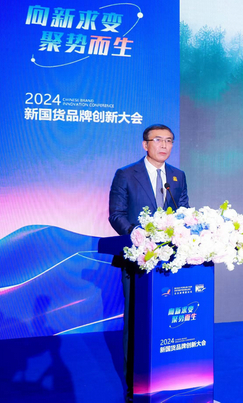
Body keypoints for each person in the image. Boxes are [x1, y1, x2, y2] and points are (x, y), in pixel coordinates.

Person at [108, 124, 189, 402]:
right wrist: (136, 234)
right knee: (137, 323)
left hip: (170, 262)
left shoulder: (177, 176)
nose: (164, 145)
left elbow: (184, 213)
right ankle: (136, 386)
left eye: (169, 141)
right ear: (145, 144)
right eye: (158, 140)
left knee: (166, 321)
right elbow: (116, 214)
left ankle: (168, 378)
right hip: (138, 260)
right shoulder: (125, 174)